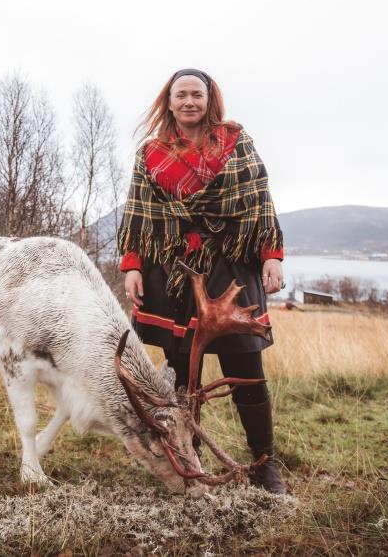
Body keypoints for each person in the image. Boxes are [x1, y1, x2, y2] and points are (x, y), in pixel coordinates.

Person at [117, 67, 289, 494]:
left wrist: (271, 256)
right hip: (174, 272)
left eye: (197, 94)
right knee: (182, 374)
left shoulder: (235, 141)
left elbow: (259, 203)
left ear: (210, 100)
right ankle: (188, 458)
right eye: (182, 95)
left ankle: (264, 464)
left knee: (246, 367)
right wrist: (132, 266)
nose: (189, 101)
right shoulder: (151, 152)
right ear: (169, 101)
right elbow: (138, 214)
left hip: (232, 268)